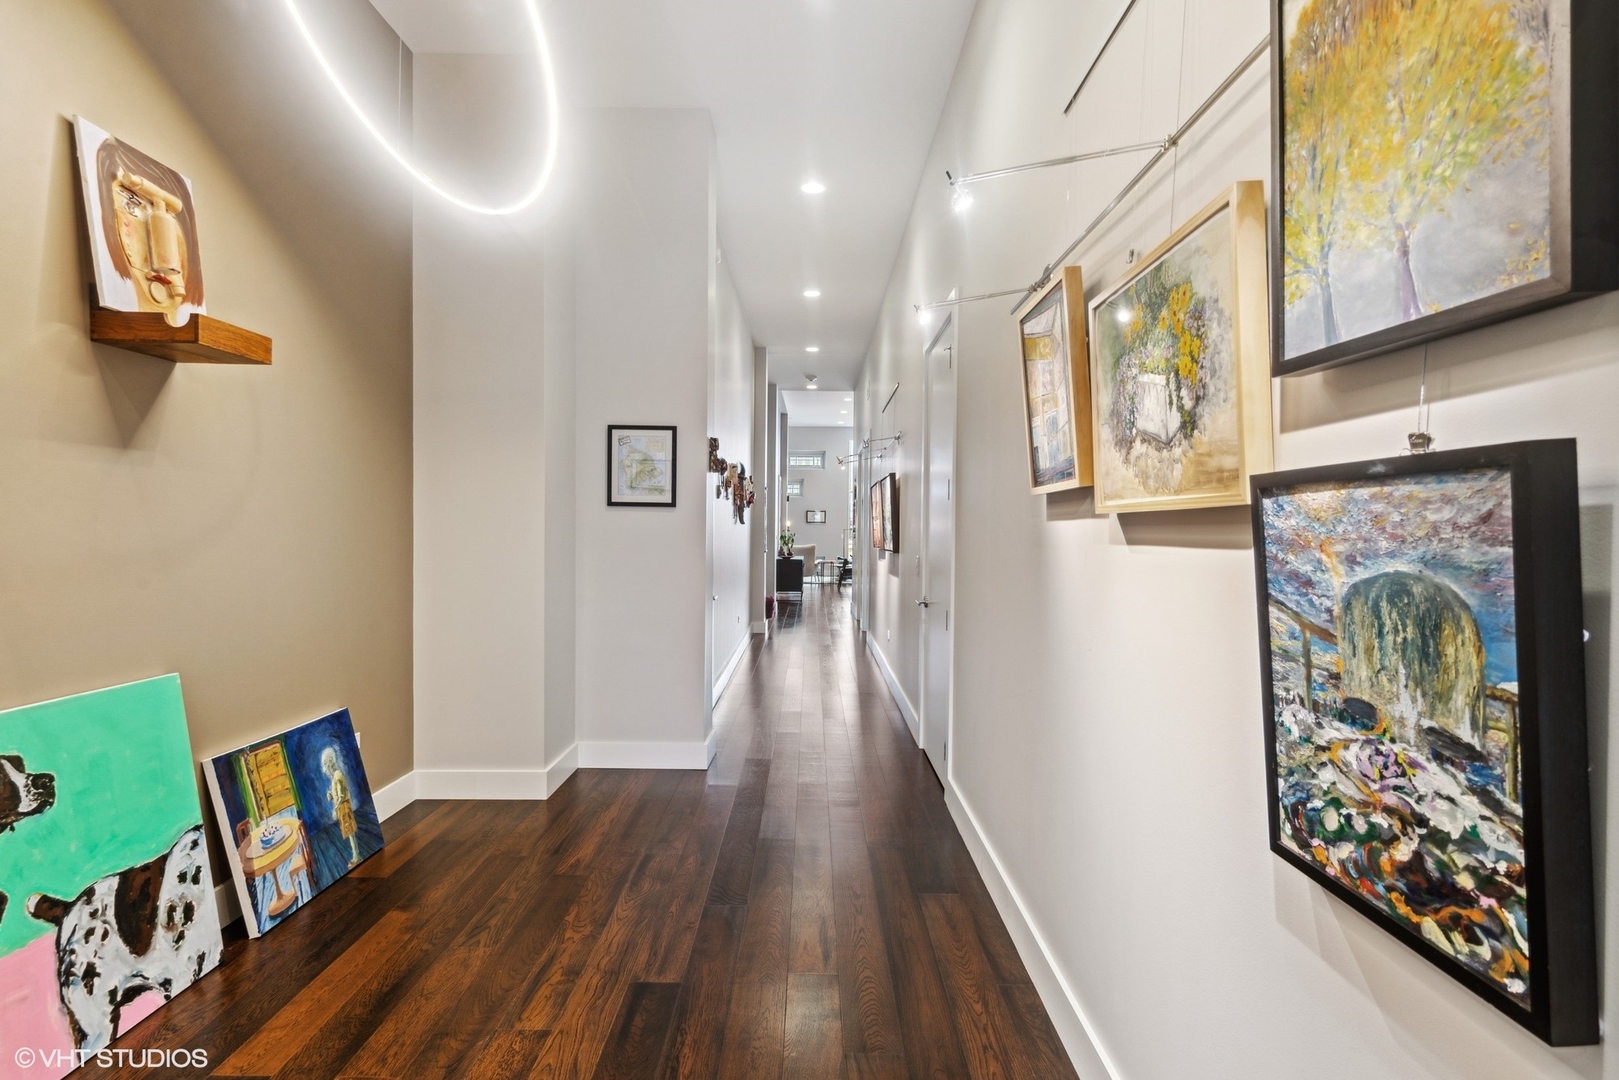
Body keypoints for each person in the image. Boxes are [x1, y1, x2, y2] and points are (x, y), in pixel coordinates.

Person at [322, 746, 360, 867]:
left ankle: (356, 856)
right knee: (349, 832)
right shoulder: (335, 776)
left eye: (326, 766)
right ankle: (356, 855)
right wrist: (331, 795)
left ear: (329, 764)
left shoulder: (337, 776)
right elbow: (337, 794)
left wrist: (335, 809)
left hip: (344, 807)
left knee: (350, 832)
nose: (326, 770)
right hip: (342, 807)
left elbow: (341, 796)